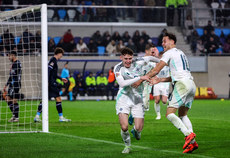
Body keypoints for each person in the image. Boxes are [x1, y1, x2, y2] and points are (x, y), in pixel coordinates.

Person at [145, 32, 198, 153]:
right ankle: (193, 144)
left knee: (169, 113)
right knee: (183, 115)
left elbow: (156, 69)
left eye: (164, 41)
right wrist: (160, 80)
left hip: (182, 85)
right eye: (162, 41)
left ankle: (188, 134)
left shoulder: (169, 53)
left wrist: (143, 78)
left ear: (172, 42)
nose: (162, 44)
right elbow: (175, 74)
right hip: (191, 84)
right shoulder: (181, 53)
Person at [114, 47, 159, 154]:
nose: (128, 61)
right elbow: (122, 83)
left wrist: (163, 62)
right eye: (126, 59)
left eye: (130, 58)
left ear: (132, 57)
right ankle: (127, 146)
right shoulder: (118, 68)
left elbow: (151, 58)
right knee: (124, 126)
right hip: (123, 98)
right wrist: (140, 78)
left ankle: (136, 130)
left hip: (137, 98)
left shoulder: (139, 61)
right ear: (121, 58)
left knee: (139, 128)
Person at [34, 47, 71, 122]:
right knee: (58, 99)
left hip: (51, 82)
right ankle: (61, 118)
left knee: (45, 100)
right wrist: (47, 81)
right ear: (59, 53)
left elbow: (53, 74)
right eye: (62, 54)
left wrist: (61, 78)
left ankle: (37, 116)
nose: (62, 56)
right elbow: (48, 71)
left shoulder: (54, 60)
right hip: (51, 83)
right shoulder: (53, 60)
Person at [3, 51, 22, 122]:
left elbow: (12, 76)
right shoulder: (16, 63)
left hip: (15, 84)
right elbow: (11, 76)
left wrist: (8, 84)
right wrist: (6, 85)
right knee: (7, 98)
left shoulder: (16, 64)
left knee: (13, 100)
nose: (8, 58)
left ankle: (16, 117)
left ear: (13, 55)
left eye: (9, 56)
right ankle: (14, 115)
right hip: (13, 84)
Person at [153, 52, 170, 120]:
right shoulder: (156, 64)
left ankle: (171, 102)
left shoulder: (168, 63)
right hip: (157, 82)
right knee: (157, 100)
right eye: (161, 56)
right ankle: (158, 115)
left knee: (164, 101)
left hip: (165, 82)